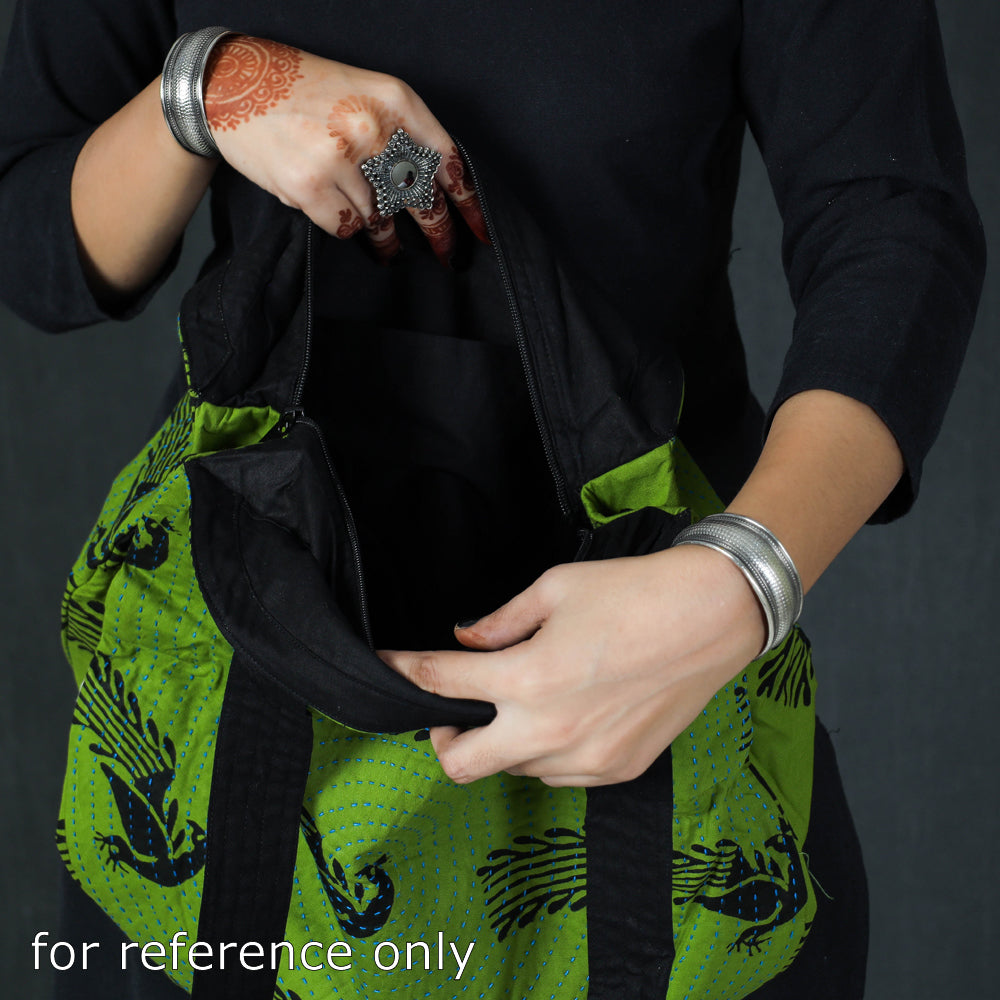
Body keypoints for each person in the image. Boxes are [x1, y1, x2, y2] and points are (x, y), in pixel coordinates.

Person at [0, 1, 984, 998]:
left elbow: (892, 222)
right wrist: (205, 90)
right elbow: (29, 233)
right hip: (240, 670)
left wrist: (739, 579)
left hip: (655, 649)